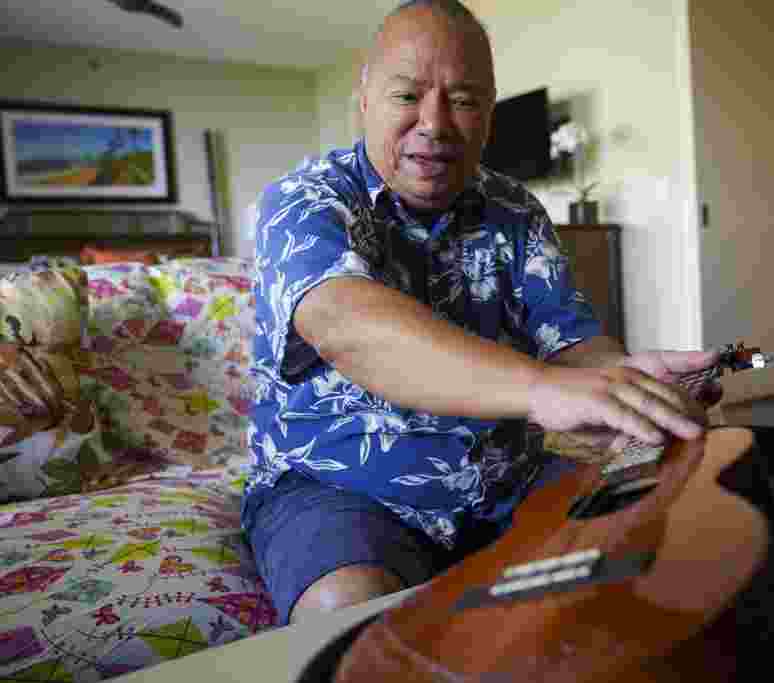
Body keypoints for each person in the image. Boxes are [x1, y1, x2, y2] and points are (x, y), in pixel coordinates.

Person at [242, 0, 724, 626]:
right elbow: (347, 325)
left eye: (464, 100)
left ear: (490, 114)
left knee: (665, 537)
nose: (435, 123)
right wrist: (541, 389)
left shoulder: (515, 209)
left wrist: (622, 386)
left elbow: (570, 341)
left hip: (503, 482)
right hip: (339, 489)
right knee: (348, 617)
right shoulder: (305, 200)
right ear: (365, 97)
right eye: (408, 94)